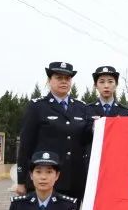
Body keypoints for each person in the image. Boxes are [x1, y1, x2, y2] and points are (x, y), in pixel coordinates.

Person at [16, 62, 91, 200]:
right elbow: (26, 146)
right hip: (46, 180)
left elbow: (87, 139)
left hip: (75, 180)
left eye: (67, 78)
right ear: (49, 80)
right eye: (58, 78)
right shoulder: (37, 107)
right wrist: (21, 180)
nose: (63, 82)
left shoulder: (81, 107)